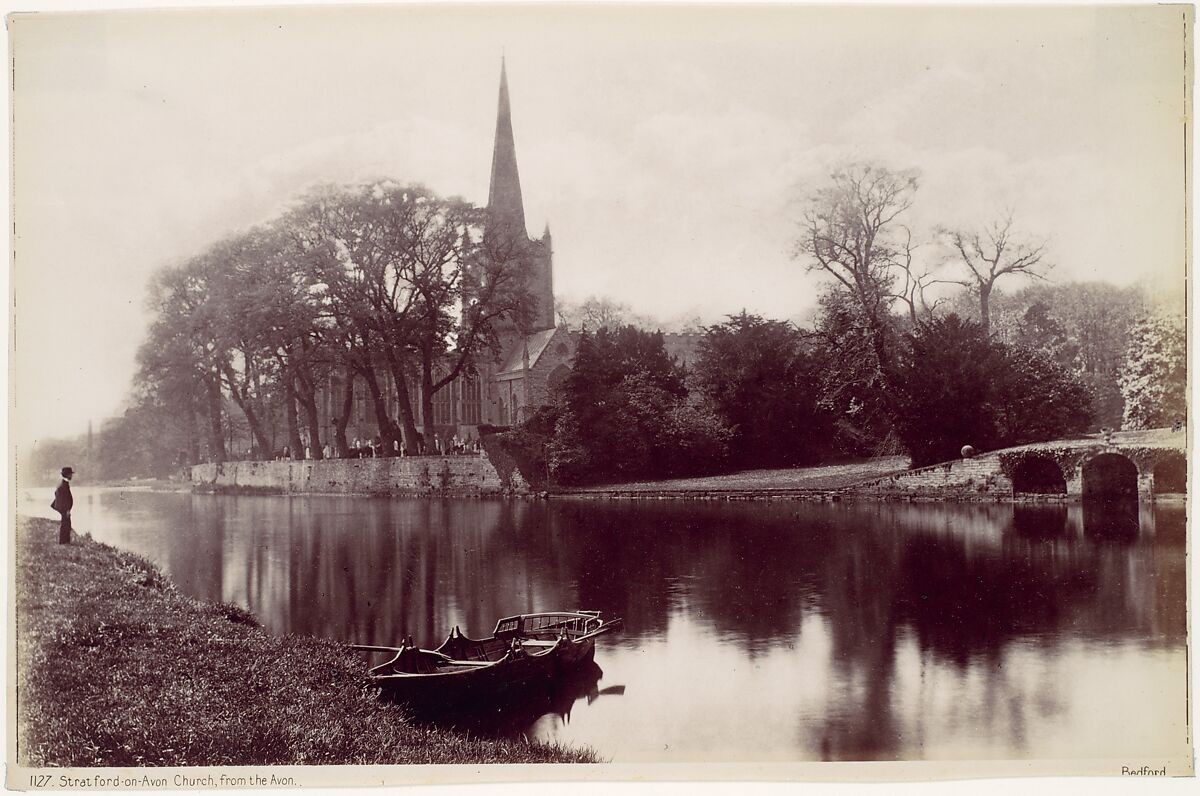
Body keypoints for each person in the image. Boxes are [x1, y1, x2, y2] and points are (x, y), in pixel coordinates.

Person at [51, 466, 74, 544]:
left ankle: (64, 541)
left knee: (66, 523)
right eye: (70, 474)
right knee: (66, 524)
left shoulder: (63, 483)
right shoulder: (64, 484)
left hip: (62, 508)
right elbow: (65, 499)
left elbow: (57, 494)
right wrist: (67, 509)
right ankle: (64, 542)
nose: (71, 476)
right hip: (64, 508)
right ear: (67, 475)